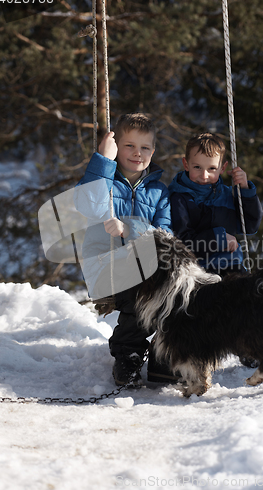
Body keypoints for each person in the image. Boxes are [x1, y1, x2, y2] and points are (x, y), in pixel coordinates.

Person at [74, 113, 172, 386]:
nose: (137, 153)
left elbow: (166, 235)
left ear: (153, 151)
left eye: (145, 147)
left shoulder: (159, 192)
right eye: (129, 145)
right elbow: (88, 207)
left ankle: (166, 356)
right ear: (117, 147)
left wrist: (131, 229)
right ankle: (128, 355)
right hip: (106, 268)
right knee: (141, 299)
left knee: (174, 294)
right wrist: (103, 160)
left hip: (143, 268)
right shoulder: (104, 180)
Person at [168, 133, 263, 276]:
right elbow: (183, 243)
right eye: (197, 167)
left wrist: (244, 190)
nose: (204, 175)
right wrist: (219, 238)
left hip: (232, 267)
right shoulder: (179, 199)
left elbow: (250, 226)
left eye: (211, 168)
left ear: (223, 168)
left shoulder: (228, 196)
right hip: (199, 271)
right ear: (186, 164)